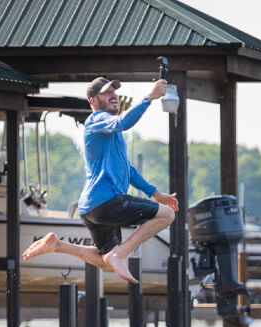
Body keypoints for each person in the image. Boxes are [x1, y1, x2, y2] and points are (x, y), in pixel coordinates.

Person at [22, 76, 179, 284]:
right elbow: (123, 122)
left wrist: (157, 194)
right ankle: (120, 254)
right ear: (93, 101)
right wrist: (149, 97)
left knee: (106, 262)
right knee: (167, 215)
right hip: (107, 202)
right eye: (107, 93)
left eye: (114, 91)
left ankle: (58, 245)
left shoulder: (110, 132)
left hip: (91, 208)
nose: (113, 95)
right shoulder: (97, 120)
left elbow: (127, 169)